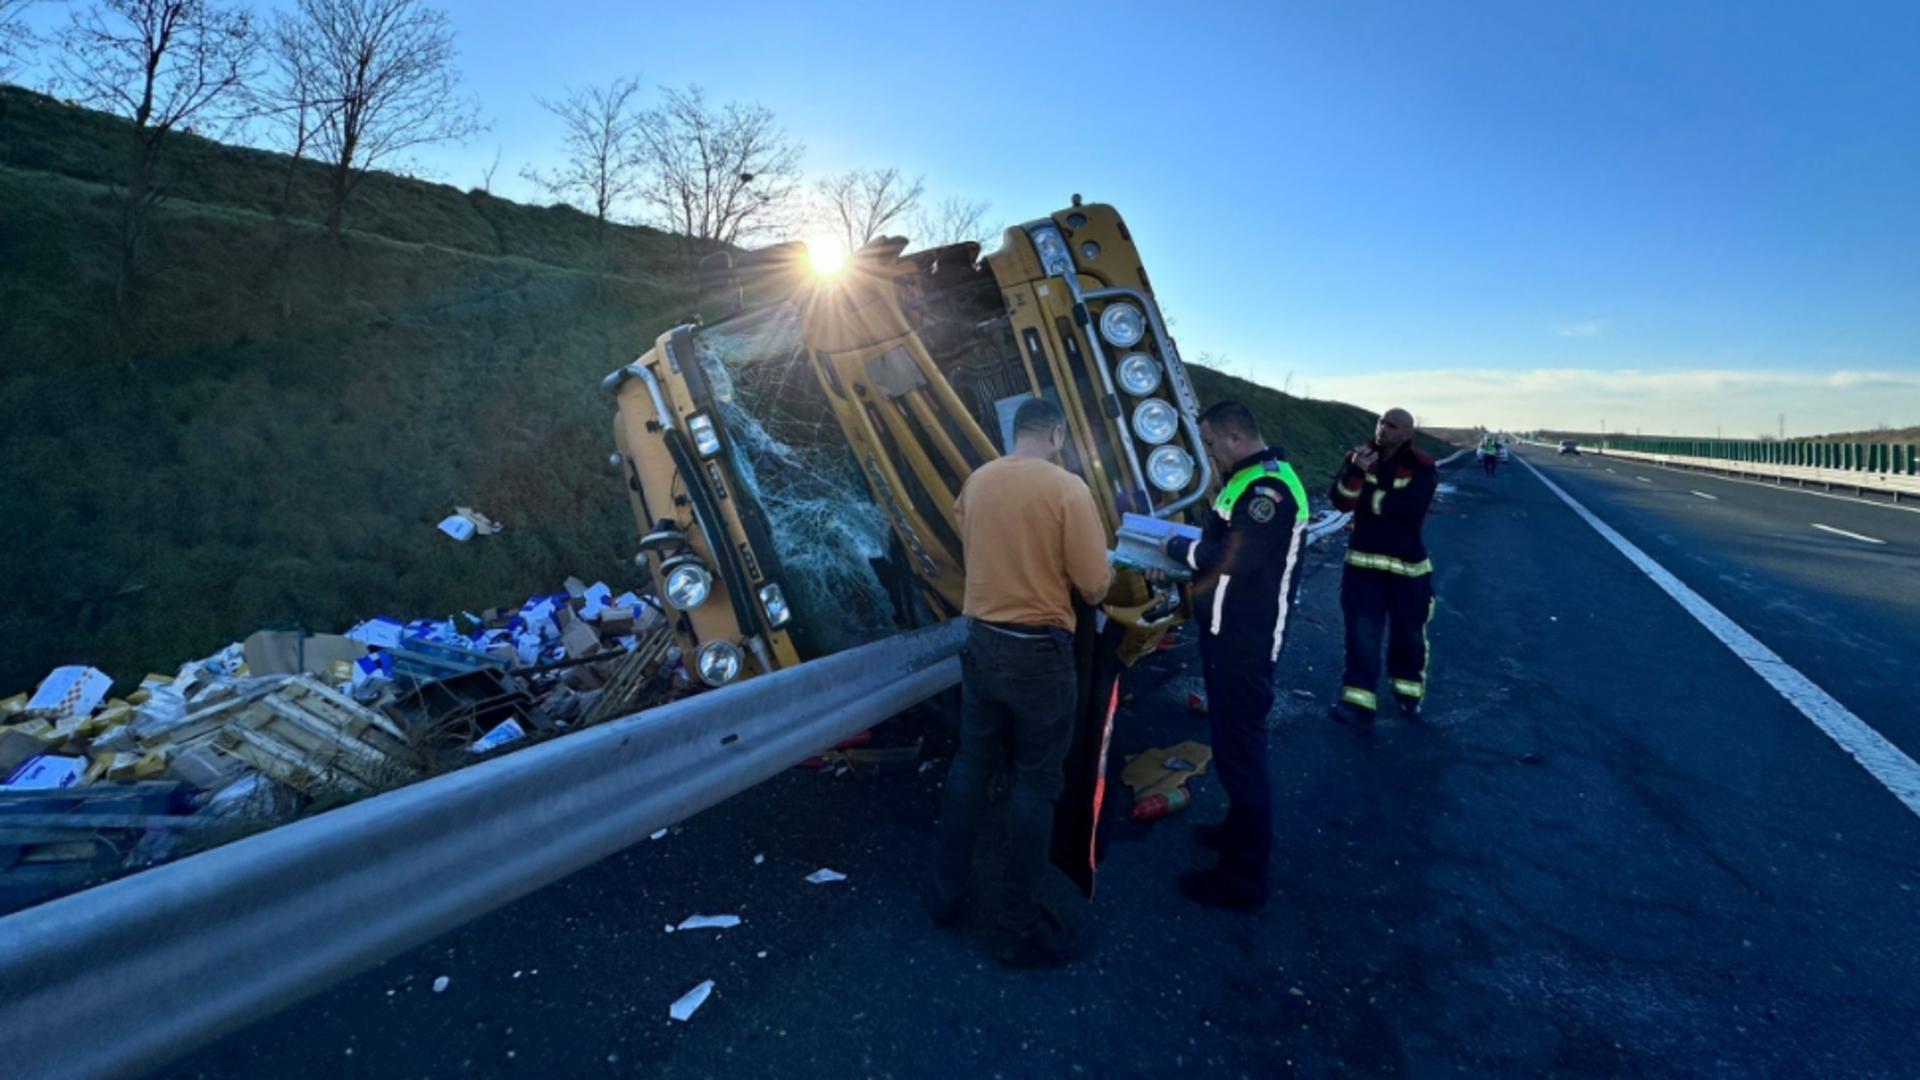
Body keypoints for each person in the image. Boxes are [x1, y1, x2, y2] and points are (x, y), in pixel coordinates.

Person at [930, 396, 1112, 967]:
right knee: (1036, 784)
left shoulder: (977, 483)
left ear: (1016, 432)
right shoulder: (1067, 490)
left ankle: (944, 895)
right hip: (1039, 654)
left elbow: (976, 546)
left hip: (980, 641)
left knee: (972, 763)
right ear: (1057, 433)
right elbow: (1094, 588)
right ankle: (1018, 924)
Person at [1160, 400, 1308, 913]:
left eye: (1210, 444)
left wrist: (1177, 550)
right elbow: (1221, 532)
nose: (1208, 453)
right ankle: (1234, 832)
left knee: (1242, 756)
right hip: (1226, 634)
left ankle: (1243, 882)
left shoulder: (1270, 489)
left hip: (1246, 643)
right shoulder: (1245, 480)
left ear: (1234, 439)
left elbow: (1234, 558)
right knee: (1229, 747)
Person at [1328, 408, 1439, 725]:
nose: (1383, 429)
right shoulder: (1357, 458)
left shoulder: (1421, 466)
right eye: (1381, 422)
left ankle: (1408, 695)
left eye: (1392, 426)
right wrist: (1356, 473)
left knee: (1409, 636)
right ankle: (1357, 703)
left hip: (1409, 570)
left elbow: (1410, 510)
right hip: (1362, 567)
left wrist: (1366, 498)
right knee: (1361, 635)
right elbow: (1339, 499)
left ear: (1406, 433)